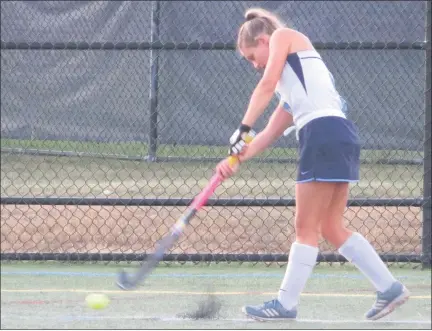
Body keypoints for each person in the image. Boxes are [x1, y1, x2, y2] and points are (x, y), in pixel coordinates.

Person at [215, 7, 410, 321]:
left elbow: (265, 85)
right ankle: (389, 288)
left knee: (305, 228)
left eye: (253, 56)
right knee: (331, 227)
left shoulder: (284, 36)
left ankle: (285, 305)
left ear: (264, 40)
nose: (255, 65)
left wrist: (242, 127)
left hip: (321, 135)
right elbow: (268, 134)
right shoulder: (295, 86)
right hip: (340, 135)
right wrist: (235, 159)